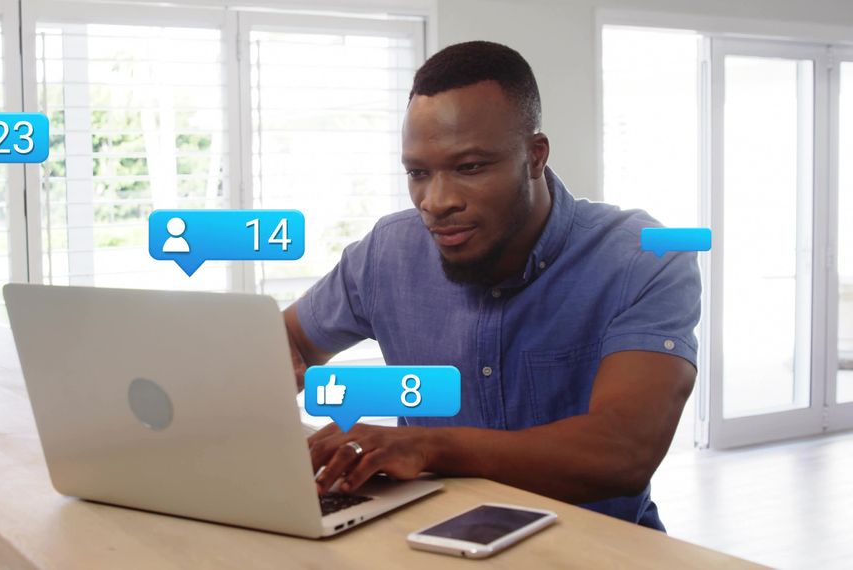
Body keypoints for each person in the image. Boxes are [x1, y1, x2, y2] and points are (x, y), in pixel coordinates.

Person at [284, 41, 701, 531]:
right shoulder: (387, 253)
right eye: (418, 173)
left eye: (470, 167)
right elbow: (284, 341)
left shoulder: (643, 260)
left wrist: (426, 446)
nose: (436, 202)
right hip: (428, 540)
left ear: (534, 156)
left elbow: (622, 452)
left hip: (593, 548)